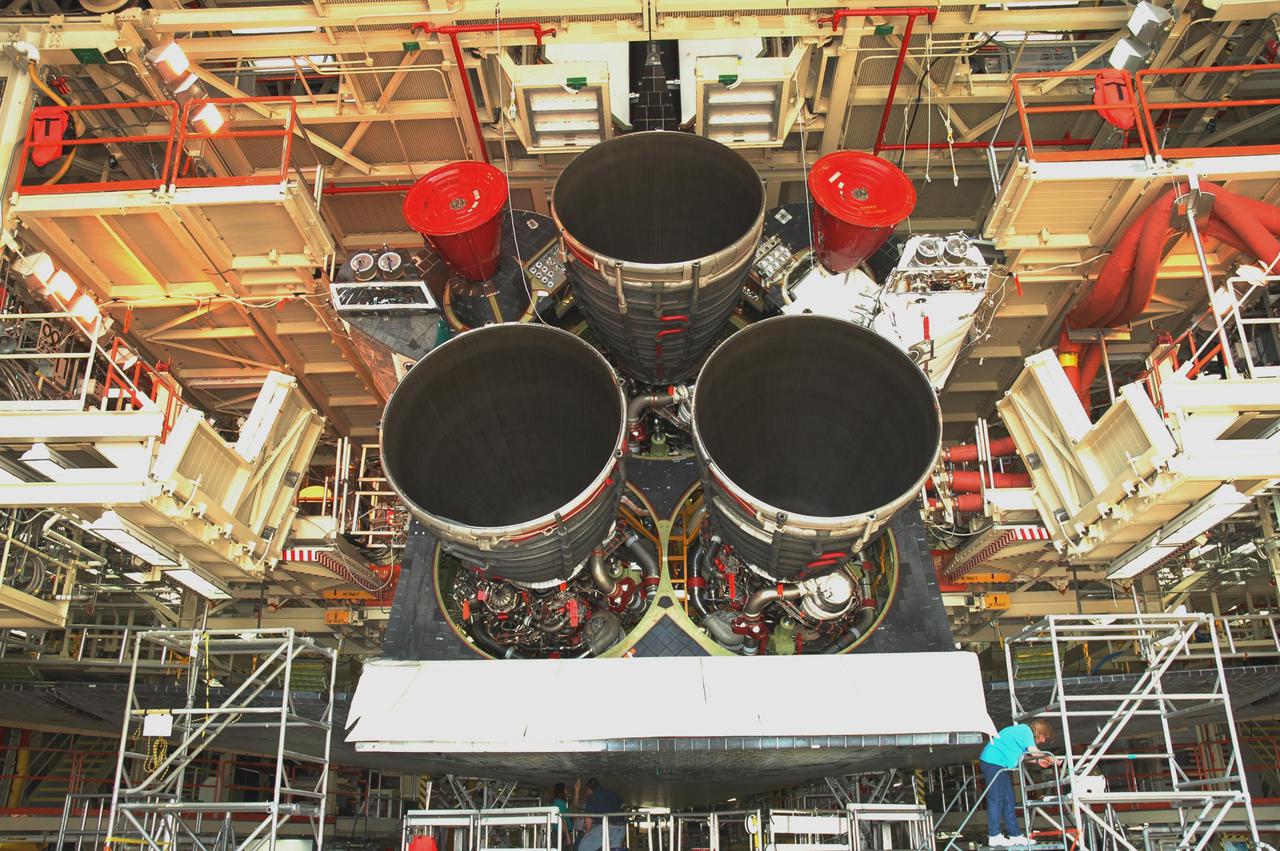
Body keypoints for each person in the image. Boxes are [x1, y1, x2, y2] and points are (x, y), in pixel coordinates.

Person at [979, 719, 1058, 847]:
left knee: (1008, 799)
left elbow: (1023, 755)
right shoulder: (1025, 730)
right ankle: (994, 835)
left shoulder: (1022, 733)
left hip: (999, 764)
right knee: (996, 798)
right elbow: (1033, 751)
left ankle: (1014, 834)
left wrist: (1038, 761)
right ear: (1039, 732)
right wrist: (1049, 757)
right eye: (1044, 737)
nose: (1043, 741)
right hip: (993, 762)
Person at [576, 778, 624, 851]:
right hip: (621, 828)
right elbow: (621, 805)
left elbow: (588, 818)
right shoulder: (612, 793)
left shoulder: (593, 797)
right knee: (613, 849)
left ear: (588, 789)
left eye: (586, 791)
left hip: (606, 827)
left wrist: (587, 833)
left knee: (584, 846)